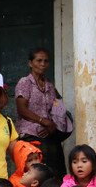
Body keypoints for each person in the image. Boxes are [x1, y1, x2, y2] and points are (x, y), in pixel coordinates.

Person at [14, 48, 68, 177]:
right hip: (31, 134)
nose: (43, 64)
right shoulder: (25, 82)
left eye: (46, 61)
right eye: (39, 60)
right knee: (36, 174)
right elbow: (22, 110)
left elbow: (57, 109)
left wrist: (52, 125)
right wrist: (43, 122)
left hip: (49, 134)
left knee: (55, 174)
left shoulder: (49, 86)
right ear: (30, 63)